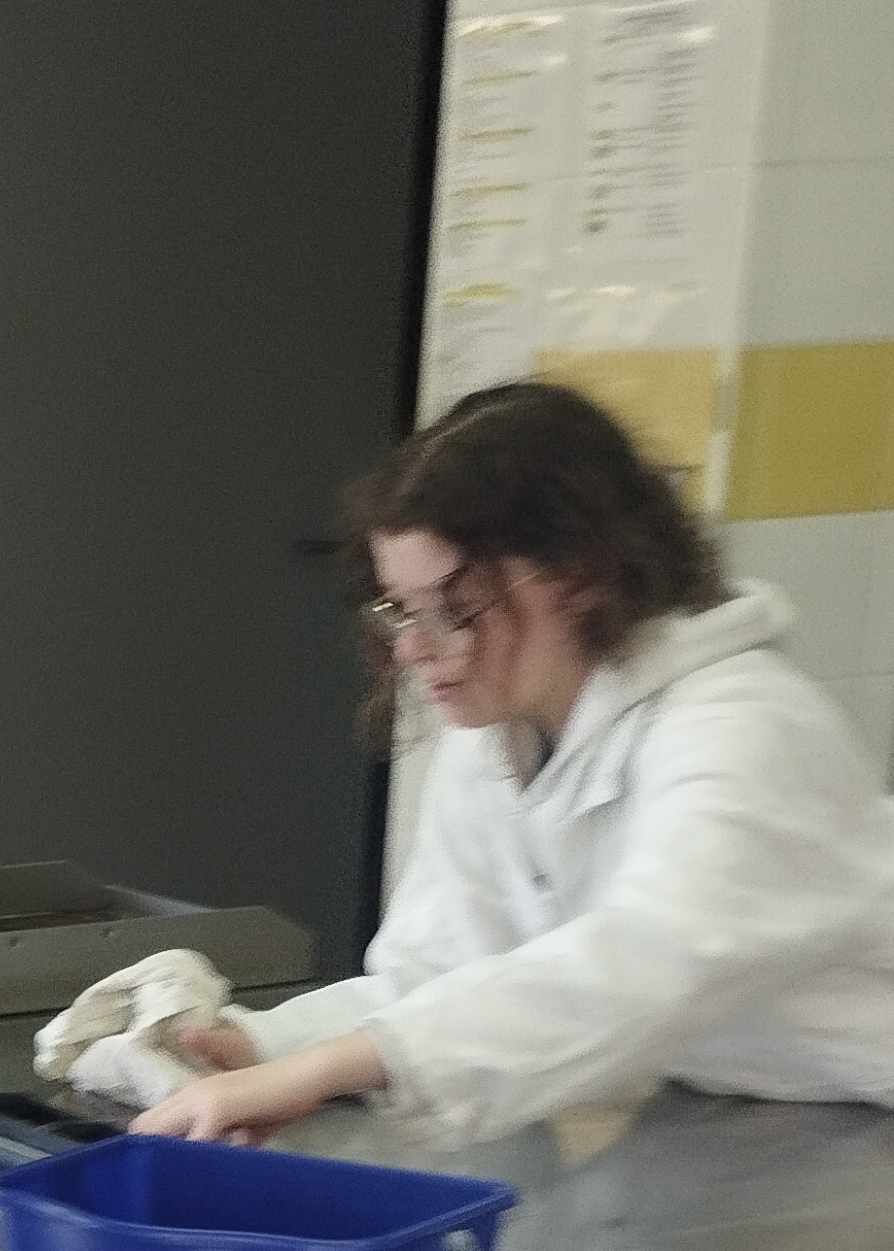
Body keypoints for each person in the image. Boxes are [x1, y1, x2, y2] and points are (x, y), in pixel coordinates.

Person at [134, 381, 894, 1148]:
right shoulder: (498, 737)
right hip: (752, 1113)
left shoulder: (745, 724)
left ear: (580, 575)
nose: (414, 649)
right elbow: (436, 976)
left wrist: (325, 1069)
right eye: (400, 610)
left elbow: (650, 961)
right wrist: (259, 1044)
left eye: (453, 609)